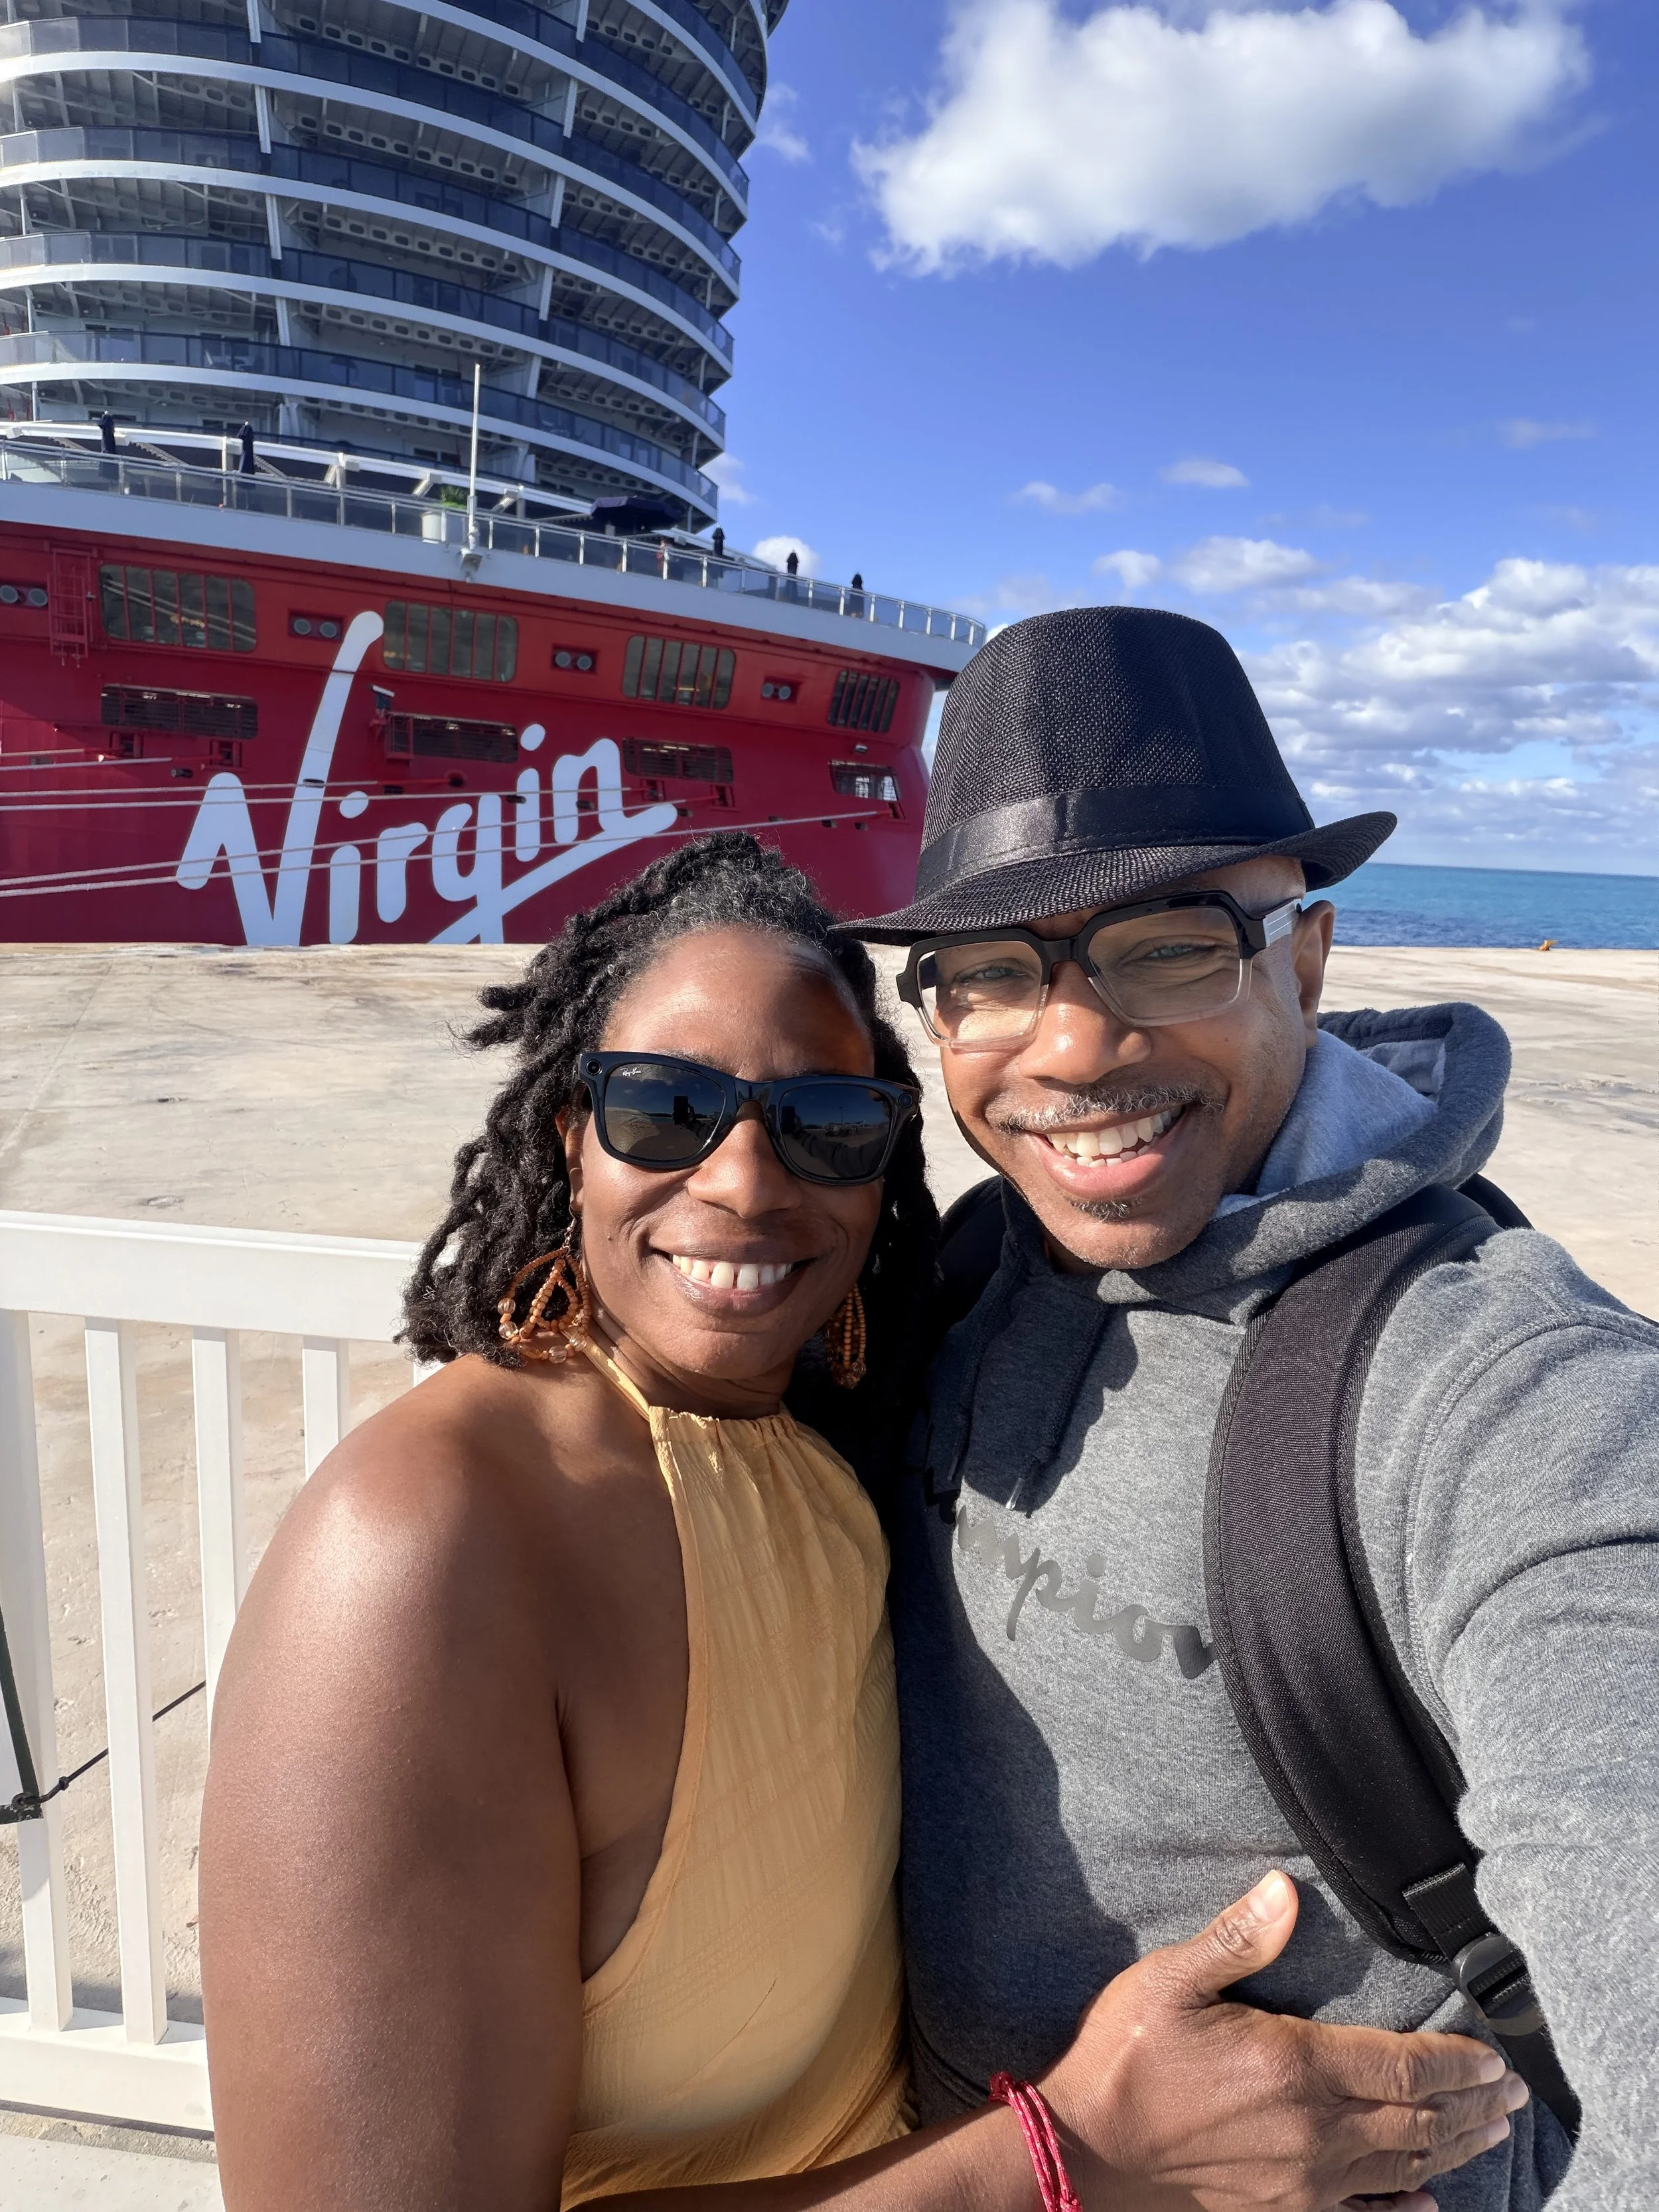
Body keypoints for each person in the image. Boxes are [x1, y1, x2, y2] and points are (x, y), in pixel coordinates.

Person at [198, 835, 1521, 2211]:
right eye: (664, 1108)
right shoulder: (428, 1542)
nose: (744, 1182)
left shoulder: (830, 1439)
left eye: (826, 1123)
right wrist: (1074, 2149)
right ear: (567, 1131)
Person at [857, 607, 1659, 2212]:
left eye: (1167, 946)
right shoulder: (978, 1265)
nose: (1073, 1045)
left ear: (1304, 952)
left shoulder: (1507, 1394)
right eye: (990, 976)